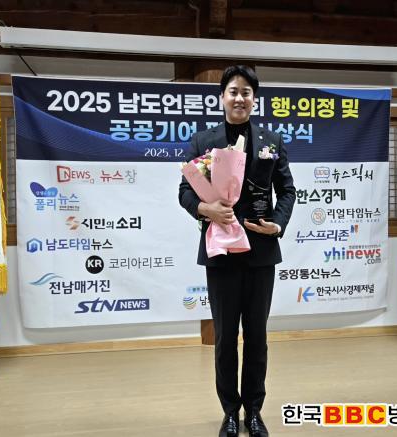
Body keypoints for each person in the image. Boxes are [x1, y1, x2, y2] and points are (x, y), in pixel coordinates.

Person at [179, 65, 295, 437]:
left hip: (260, 252)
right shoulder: (203, 141)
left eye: (246, 92)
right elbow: (184, 192)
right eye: (233, 91)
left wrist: (278, 224)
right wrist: (206, 209)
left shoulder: (271, 141)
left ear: (254, 99)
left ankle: (254, 412)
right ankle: (230, 412)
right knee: (226, 337)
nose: (239, 98)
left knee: (257, 337)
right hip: (220, 252)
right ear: (222, 97)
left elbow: (287, 190)